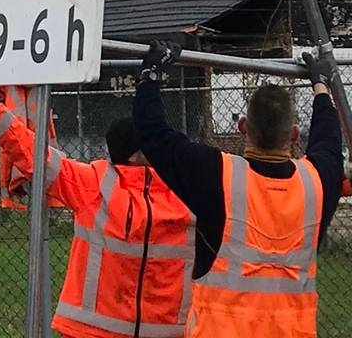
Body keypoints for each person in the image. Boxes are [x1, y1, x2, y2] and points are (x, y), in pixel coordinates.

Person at [134, 42, 345, 337]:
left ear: (242, 126)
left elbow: (153, 132)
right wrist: (320, 86)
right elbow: (329, 139)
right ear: (295, 135)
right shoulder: (317, 183)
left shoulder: (217, 175)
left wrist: (151, 74)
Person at [0, 87, 195, 338]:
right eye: (154, 141)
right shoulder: (100, 184)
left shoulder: (183, 187)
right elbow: (33, 152)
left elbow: (34, 154)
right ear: (134, 155)